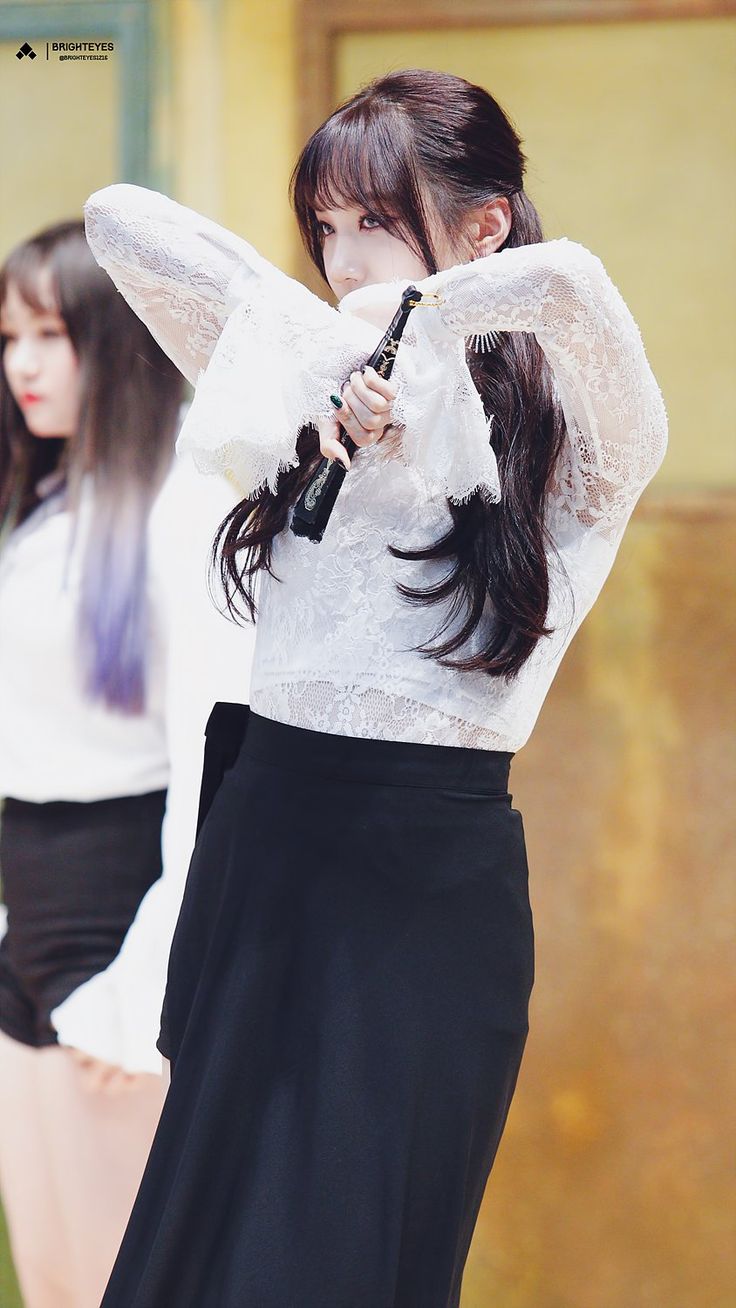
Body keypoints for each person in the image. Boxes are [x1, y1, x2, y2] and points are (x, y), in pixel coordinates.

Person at [85, 69, 668, 1308]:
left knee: (335, 1268)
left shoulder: (568, 462)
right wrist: (328, 364)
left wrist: (426, 314)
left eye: (377, 222)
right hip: (264, 868)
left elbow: (577, 294)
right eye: (328, 229)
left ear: (483, 224)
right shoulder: (309, 399)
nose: (346, 263)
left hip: (415, 904)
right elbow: (117, 217)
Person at [0, 218, 253, 1308]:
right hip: (27, 919)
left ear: (121, 340)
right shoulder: (47, 505)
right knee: (53, 1278)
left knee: (128, 1282)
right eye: (9, 334)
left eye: (50, 334)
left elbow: (220, 772)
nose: (20, 363)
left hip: (117, 924)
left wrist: (144, 986)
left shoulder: (182, 511)